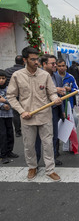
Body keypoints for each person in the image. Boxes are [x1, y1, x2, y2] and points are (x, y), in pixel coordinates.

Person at [7, 47, 62, 181]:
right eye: (32, 59)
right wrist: (21, 111)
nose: (36, 62)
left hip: (45, 116)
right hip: (27, 117)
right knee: (29, 145)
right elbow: (11, 96)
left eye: (37, 59)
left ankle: (50, 169)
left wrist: (55, 99)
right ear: (25, 60)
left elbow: (52, 92)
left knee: (48, 144)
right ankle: (32, 167)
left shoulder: (45, 75)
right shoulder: (17, 76)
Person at [35, 54, 65, 166]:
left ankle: (52, 158)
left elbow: (59, 96)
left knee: (53, 136)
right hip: (40, 111)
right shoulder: (37, 76)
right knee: (37, 139)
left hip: (54, 110)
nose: (55, 65)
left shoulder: (57, 77)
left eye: (55, 63)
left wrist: (61, 110)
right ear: (44, 64)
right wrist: (53, 90)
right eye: (52, 63)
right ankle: (35, 162)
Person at [0, 70, 18, 164]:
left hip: (9, 114)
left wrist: (5, 101)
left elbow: (12, 98)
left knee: (10, 133)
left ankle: (9, 151)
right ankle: (3, 155)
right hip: (0, 116)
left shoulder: (8, 88)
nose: (1, 80)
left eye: (3, 78)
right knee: (2, 135)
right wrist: (2, 105)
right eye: (0, 78)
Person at [5, 55, 25, 137]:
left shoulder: (7, 71)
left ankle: (17, 131)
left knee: (15, 113)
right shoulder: (24, 71)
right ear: (24, 61)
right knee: (25, 111)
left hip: (12, 93)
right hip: (23, 94)